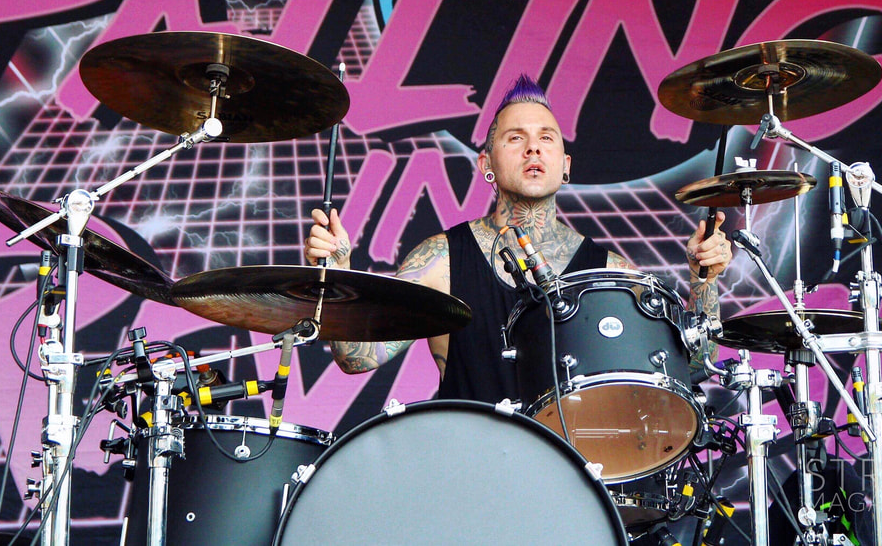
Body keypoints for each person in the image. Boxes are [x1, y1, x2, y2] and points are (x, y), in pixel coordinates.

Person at [304, 74, 732, 403]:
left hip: (570, 479)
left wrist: (704, 282)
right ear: (485, 164)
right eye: (515, 138)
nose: (533, 149)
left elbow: (695, 366)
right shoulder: (441, 259)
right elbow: (356, 358)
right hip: (467, 472)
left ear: (565, 165)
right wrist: (336, 273)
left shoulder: (610, 272)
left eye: (546, 138)